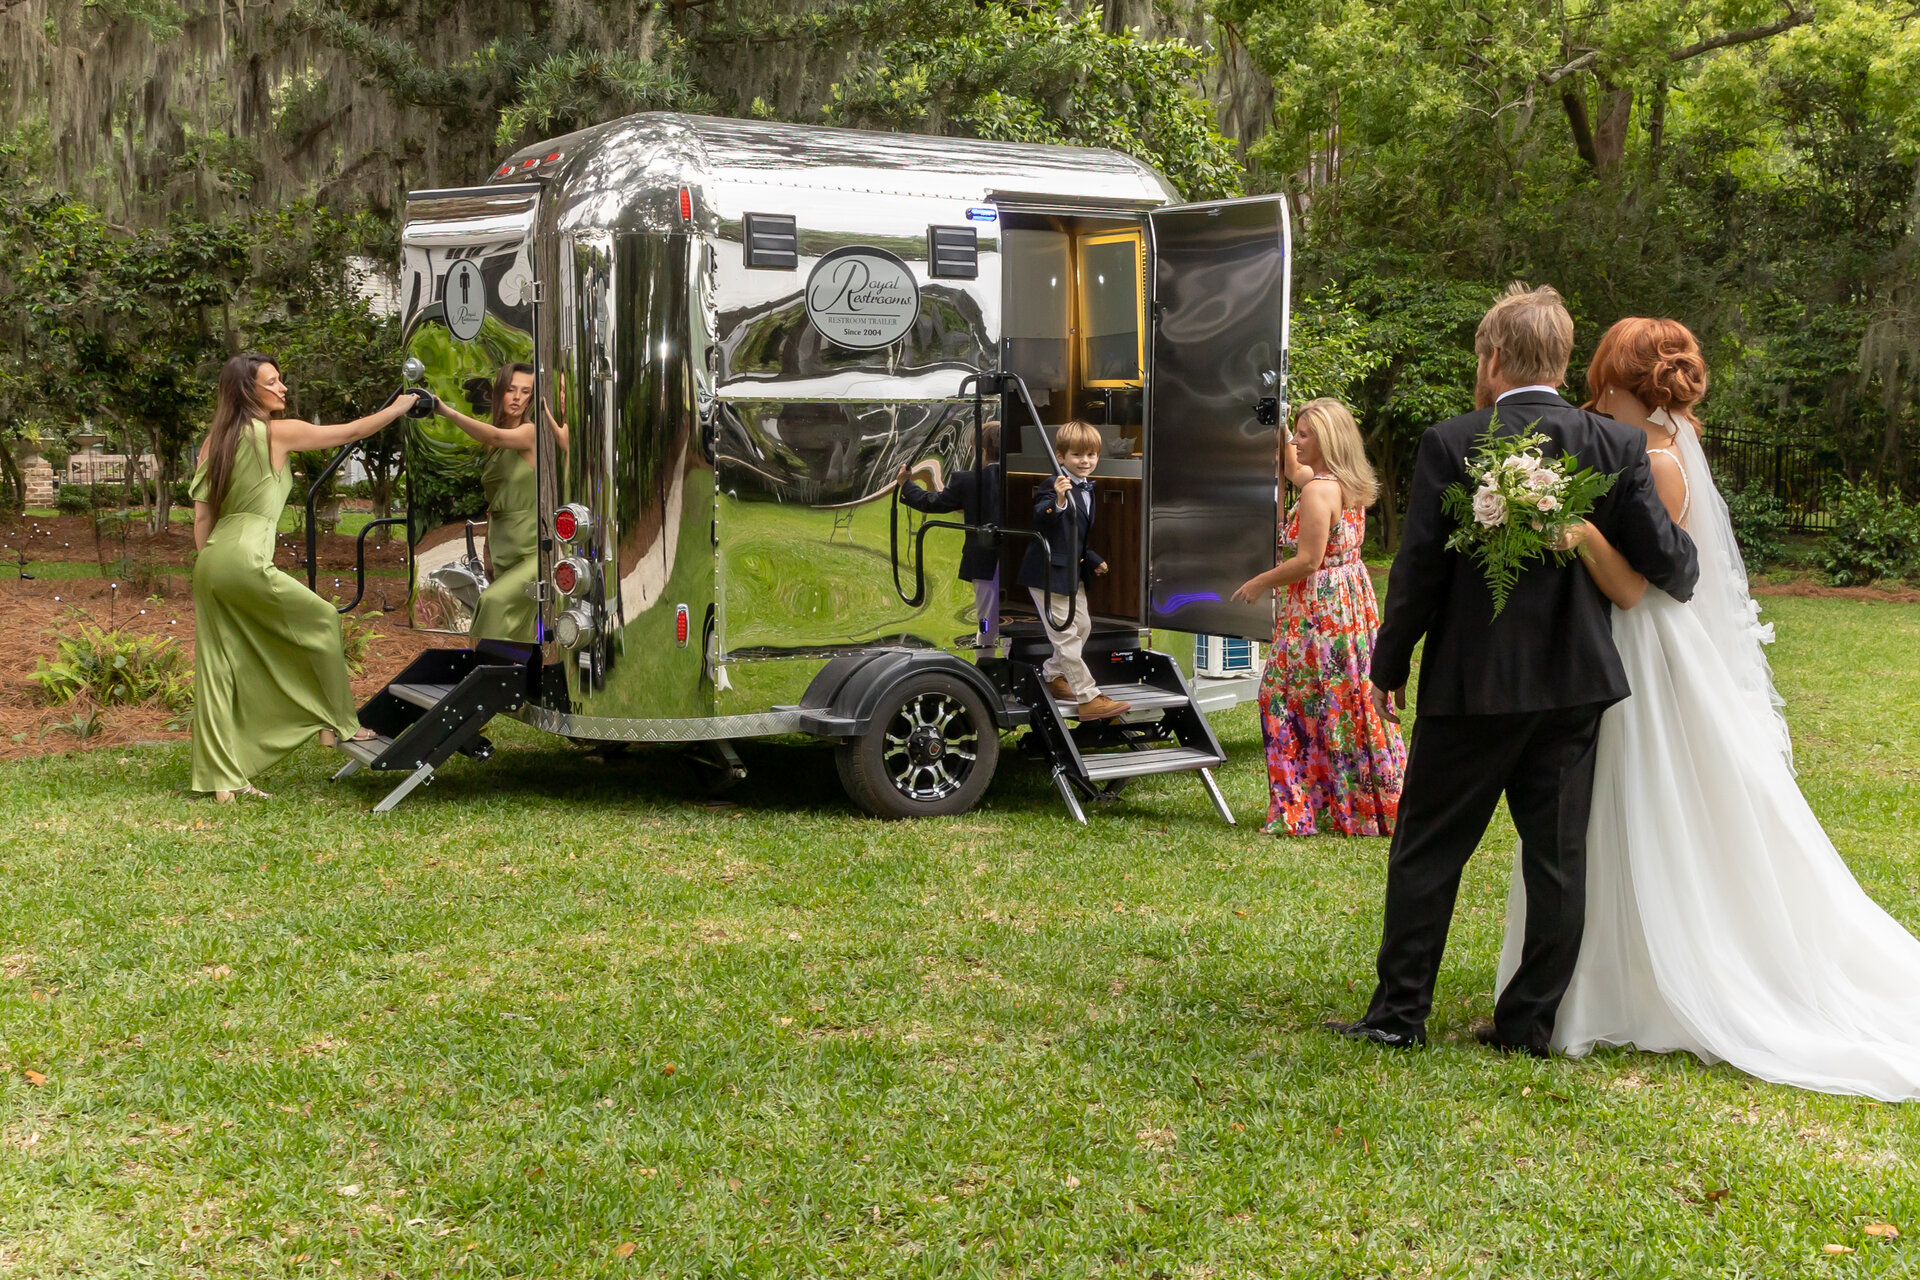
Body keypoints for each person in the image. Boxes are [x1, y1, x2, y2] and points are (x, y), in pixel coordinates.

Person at [1492, 318, 1920, 1098]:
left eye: (1602, 372)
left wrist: (1578, 531)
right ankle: (1593, 976)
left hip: (1644, 654)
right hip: (1633, 646)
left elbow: (1635, 585)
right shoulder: (1651, 444)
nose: (1591, 385)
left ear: (1622, 379)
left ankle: (1633, 981)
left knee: (1635, 811)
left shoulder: (1654, 461)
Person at [1324, 283, 1698, 1054]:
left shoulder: (1451, 440)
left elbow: (1419, 570)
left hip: (1473, 686)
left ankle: (1399, 1015)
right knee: (1557, 863)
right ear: (1562, 360)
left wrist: (1388, 663)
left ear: (1492, 359)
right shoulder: (1617, 446)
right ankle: (1527, 1026)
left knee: (1428, 849)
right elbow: (1673, 568)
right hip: (1574, 687)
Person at [189, 353, 420, 801]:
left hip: (212, 560)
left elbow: (202, 518)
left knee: (218, 668)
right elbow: (351, 432)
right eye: (272, 382)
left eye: (281, 381)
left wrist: (212, 567)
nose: (282, 389)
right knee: (321, 620)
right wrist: (399, 408)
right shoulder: (278, 432)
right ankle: (340, 724)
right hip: (244, 556)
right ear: (246, 391)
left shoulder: (213, 441)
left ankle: (223, 780)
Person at [1230, 398, 1405, 836]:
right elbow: (1294, 469)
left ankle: (1301, 807)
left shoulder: (1316, 491)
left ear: (1326, 439)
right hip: (1351, 600)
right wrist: (1284, 424)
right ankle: (1359, 799)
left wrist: (1258, 582)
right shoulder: (1344, 481)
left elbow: (1308, 561)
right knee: (1347, 699)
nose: (1296, 440)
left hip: (1318, 608)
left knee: (1283, 697)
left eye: (1304, 435)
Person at [1016, 419, 1129, 720]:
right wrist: (1059, 498)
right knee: (1065, 635)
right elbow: (1042, 518)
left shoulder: (1087, 489)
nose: (1085, 461)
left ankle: (1053, 675)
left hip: (1070, 573)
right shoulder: (1053, 486)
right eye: (1078, 455)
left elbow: (1073, 536)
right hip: (1047, 573)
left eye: (1091, 455)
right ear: (1060, 456)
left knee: (1083, 627)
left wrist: (1092, 559)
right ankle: (1088, 696)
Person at [434, 363, 540, 642]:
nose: (517, 397)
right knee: (518, 630)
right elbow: (494, 505)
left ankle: (484, 676)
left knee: (493, 604)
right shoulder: (493, 446)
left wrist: (447, 411)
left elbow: (494, 434)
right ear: (500, 394)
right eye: (511, 390)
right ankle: (517, 679)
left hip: (533, 550)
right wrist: (488, 549)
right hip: (503, 543)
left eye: (525, 392)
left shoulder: (529, 434)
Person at [895, 417, 1004, 657]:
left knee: (986, 616)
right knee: (1009, 615)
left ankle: (985, 658)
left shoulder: (967, 480)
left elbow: (932, 502)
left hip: (983, 560)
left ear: (983, 451)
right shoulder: (1015, 477)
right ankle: (1008, 658)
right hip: (1014, 559)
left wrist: (906, 484)